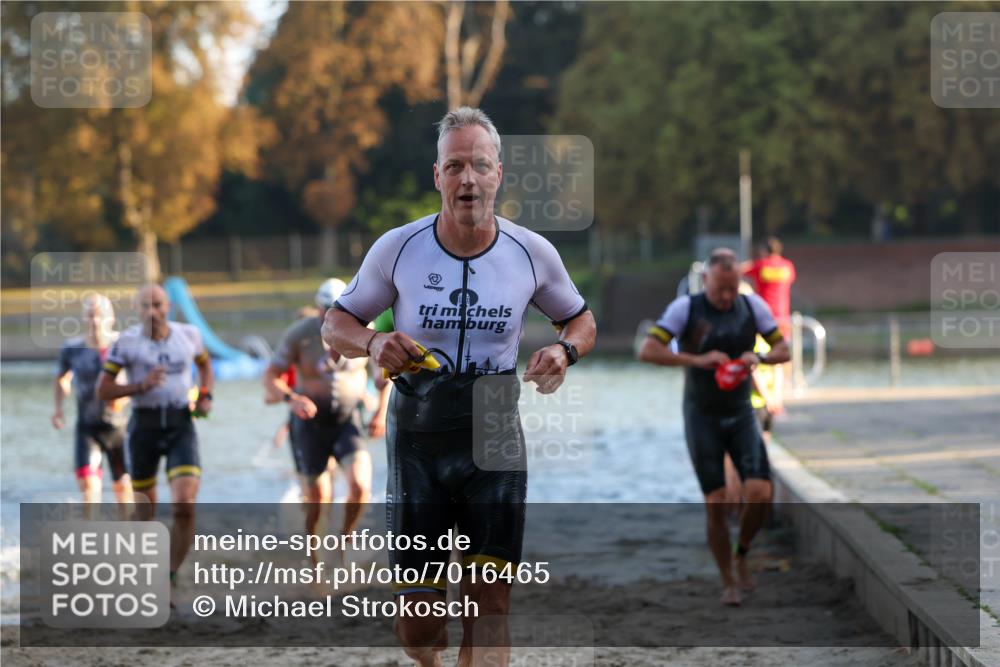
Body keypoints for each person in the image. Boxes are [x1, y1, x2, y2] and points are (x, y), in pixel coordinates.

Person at [323, 106, 596, 667]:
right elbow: (336, 323)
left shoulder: (531, 252)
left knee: (489, 605)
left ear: (499, 173)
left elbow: (581, 319)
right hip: (418, 432)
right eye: (454, 167)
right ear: (437, 176)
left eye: (479, 166)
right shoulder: (399, 247)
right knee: (420, 630)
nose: (467, 179)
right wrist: (374, 344)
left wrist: (563, 350)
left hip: (494, 424)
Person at [639, 250, 789, 607]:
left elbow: (784, 348)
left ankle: (742, 553)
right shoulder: (686, 310)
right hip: (701, 414)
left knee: (760, 492)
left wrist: (761, 357)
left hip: (740, 412)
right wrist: (696, 359)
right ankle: (728, 580)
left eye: (732, 288)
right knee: (716, 502)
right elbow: (647, 350)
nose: (725, 297)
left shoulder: (752, 308)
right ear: (706, 280)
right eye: (720, 288)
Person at [96, 283, 213, 590]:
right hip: (144, 427)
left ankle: (170, 573)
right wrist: (139, 386)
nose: (152, 312)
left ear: (168, 307)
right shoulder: (126, 343)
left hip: (180, 425)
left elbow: (205, 366)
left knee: (184, 505)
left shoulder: (189, 335)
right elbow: (103, 389)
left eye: (158, 305)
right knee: (145, 510)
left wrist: (205, 395)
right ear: (137, 310)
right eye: (145, 306)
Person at [263, 279, 386, 558]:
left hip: (347, 421)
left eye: (338, 309)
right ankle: (315, 560)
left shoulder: (364, 332)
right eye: (325, 310)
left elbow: (385, 373)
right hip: (310, 425)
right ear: (317, 308)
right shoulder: (300, 334)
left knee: (360, 485)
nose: (330, 316)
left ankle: (344, 543)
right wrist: (291, 399)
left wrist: (381, 409)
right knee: (319, 500)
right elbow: (270, 377)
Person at [52, 293, 133, 507]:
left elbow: (141, 380)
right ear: (83, 319)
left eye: (99, 315)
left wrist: (122, 397)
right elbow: (61, 376)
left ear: (111, 318)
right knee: (89, 488)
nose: (95, 321)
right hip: (87, 428)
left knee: (123, 488)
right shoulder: (72, 348)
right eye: (90, 315)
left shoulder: (123, 344)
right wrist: (59, 407)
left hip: (119, 428)